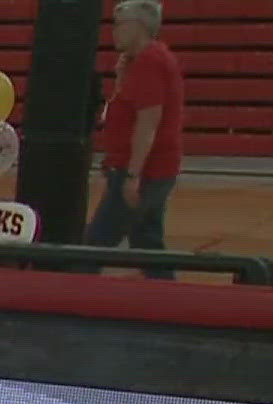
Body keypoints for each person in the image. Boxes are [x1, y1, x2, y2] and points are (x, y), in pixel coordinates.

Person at [86, 0, 184, 279]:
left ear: (138, 27)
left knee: (94, 244)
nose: (114, 32)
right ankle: (170, 300)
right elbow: (125, 111)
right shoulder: (144, 61)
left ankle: (66, 304)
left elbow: (147, 124)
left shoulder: (151, 62)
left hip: (145, 171)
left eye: (119, 25)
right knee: (148, 244)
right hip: (155, 169)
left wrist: (132, 175)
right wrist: (121, 78)